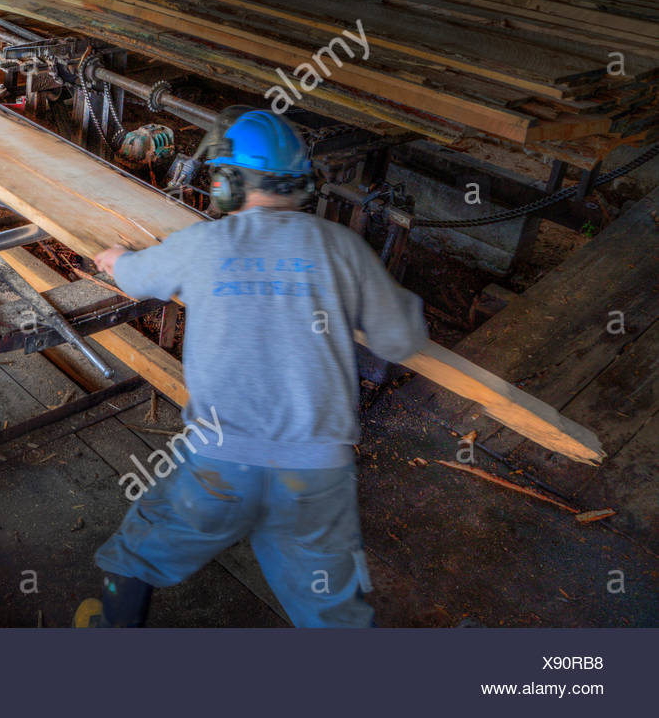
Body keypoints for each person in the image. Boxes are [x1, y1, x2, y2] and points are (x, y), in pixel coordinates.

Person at [76, 110, 428, 628]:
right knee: (333, 613)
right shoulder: (340, 248)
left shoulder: (204, 244)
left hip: (220, 463)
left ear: (226, 183)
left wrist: (116, 258)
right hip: (316, 473)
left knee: (140, 551)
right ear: (300, 183)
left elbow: (135, 277)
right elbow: (402, 338)